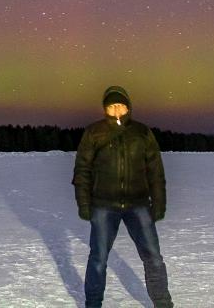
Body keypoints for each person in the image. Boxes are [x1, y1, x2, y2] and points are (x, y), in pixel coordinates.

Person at [72, 85, 174, 308]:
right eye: (111, 105)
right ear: (105, 108)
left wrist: (159, 203)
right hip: (103, 205)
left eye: (120, 104)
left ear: (128, 106)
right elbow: (82, 170)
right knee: (98, 259)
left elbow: (156, 171)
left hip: (138, 205)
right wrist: (84, 204)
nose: (116, 109)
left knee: (153, 257)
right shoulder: (94, 133)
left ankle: (163, 303)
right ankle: (93, 304)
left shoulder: (142, 133)